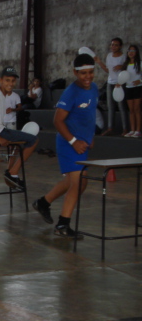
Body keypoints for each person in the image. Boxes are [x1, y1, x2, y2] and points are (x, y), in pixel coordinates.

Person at [32, 54, 99, 238]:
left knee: (71, 182)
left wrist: (90, 136)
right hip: (69, 143)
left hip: (82, 144)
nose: (87, 76)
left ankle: (43, 203)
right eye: (83, 73)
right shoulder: (71, 92)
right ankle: (62, 225)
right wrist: (73, 141)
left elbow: (90, 115)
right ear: (75, 73)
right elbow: (58, 121)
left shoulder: (93, 88)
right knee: (79, 183)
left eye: (91, 72)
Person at [0, 67, 38, 189]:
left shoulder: (2, 95)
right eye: (7, 80)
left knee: (16, 146)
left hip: (0, 130)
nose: (10, 84)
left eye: (12, 81)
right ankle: (13, 173)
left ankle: (11, 173)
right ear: (0, 80)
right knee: (33, 140)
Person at [95, 37, 128, 136]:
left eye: (116, 45)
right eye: (112, 44)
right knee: (111, 106)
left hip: (120, 83)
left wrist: (121, 67)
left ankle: (125, 129)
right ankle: (110, 128)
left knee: (122, 106)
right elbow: (107, 70)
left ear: (120, 46)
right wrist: (99, 62)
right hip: (110, 82)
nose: (113, 46)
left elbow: (127, 70)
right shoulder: (109, 56)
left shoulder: (124, 57)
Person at [121, 45, 141, 138]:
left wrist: (140, 81)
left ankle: (138, 130)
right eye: (129, 50)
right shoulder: (126, 65)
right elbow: (123, 76)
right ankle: (132, 130)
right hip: (128, 88)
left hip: (138, 88)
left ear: (136, 52)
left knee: (137, 109)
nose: (131, 52)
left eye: (133, 50)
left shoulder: (140, 63)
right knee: (131, 110)